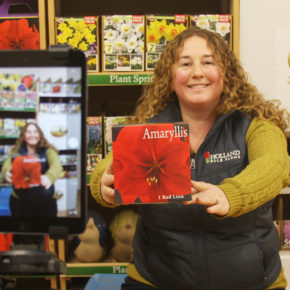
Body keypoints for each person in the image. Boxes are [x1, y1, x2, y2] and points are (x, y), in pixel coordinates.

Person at [90, 26, 290, 290]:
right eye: (185, 63)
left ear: (227, 74)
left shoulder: (255, 125)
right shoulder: (152, 128)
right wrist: (102, 184)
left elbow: (274, 166)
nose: (197, 72)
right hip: (157, 281)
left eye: (208, 62)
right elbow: (111, 164)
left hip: (252, 282)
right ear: (170, 78)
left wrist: (231, 195)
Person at [1, 122, 63, 217]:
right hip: (20, 204)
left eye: (35, 132)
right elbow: (7, 164)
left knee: (45, 230)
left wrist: (49, 177)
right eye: (28, 132)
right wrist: (6, 172)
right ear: (23, 135)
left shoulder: (48, 150)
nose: (32, 135)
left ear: (39, 134)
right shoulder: (17, 151)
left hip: (45, 204)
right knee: (21, 231)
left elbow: (57, 166)